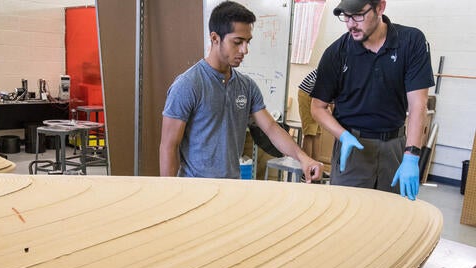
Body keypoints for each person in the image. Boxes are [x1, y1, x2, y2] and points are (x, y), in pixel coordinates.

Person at [160, 1, 322, 182]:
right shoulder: (188, 85)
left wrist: (303, 158)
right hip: (195, 188)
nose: (245, 50)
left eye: (247, 42)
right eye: (237, 42)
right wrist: (170, 192)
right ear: (215, 38)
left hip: (232, 187)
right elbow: (168, 146)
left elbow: (271, 128)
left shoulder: (246, 86)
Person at [310, 0, 434, 200]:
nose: (351, 24)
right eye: (346, 16)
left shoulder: (410, 42)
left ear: (380, 7)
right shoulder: (337, 53)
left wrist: (411, 156)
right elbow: (317, 107)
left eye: (358, 15)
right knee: (347, 214)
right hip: (353, 148)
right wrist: (343, 136)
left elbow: (418, 104)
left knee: (390, 216)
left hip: (394, 146)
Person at [298, 69, 321, 161]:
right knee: (309, 132)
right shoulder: (340, 66)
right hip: (307, 92)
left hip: (318, 93)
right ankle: (307, 168)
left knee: (317, 133)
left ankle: (317, 167)